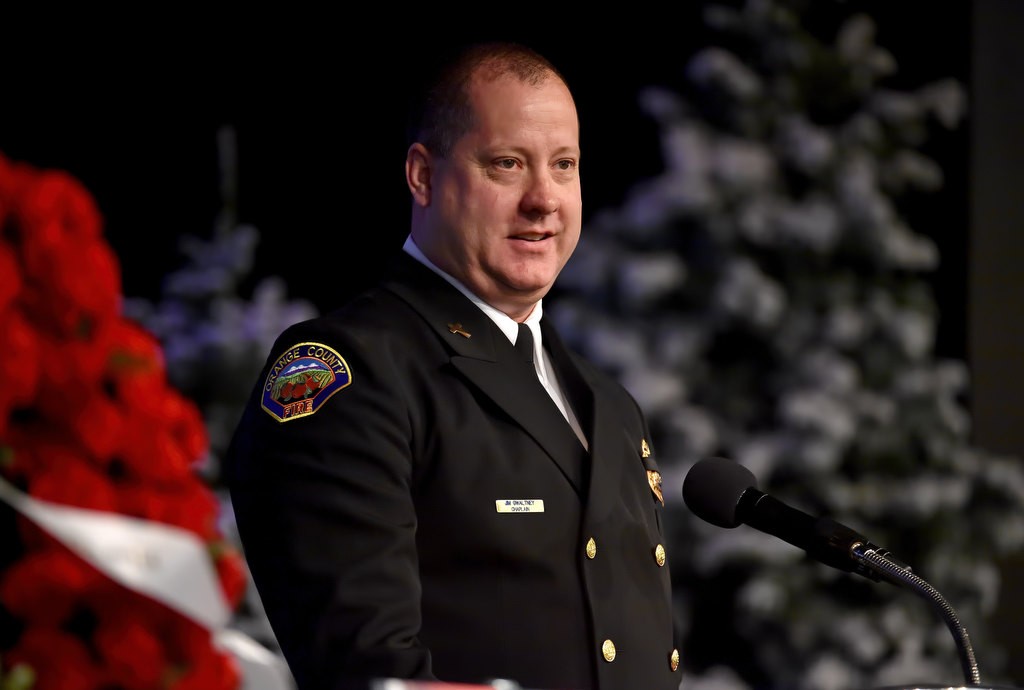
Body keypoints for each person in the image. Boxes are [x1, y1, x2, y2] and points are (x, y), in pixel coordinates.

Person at [224, 40, 680, 690]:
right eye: (507, 164)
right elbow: (366, 669)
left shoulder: (606, 402)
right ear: (422, 175)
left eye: (565, 165)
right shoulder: (357, 371)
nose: (544, 199)